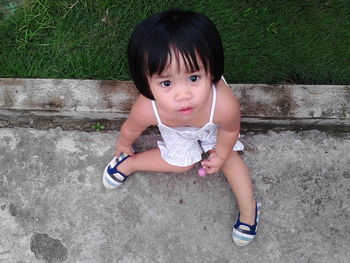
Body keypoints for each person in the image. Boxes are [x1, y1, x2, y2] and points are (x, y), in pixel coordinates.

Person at [102, 9, 261, 246]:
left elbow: (229, 130)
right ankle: (130, 163)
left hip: (213, 128)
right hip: (175, 131)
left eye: (194, 78)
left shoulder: (224, 105)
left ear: (212, 71)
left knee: (232, 161)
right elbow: (131, 128)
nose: (183, 95)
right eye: (166, 82)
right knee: (181, 164)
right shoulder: (148, 108)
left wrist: (221, 153)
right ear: (146, 83)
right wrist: (124, 144)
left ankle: (249, 212)